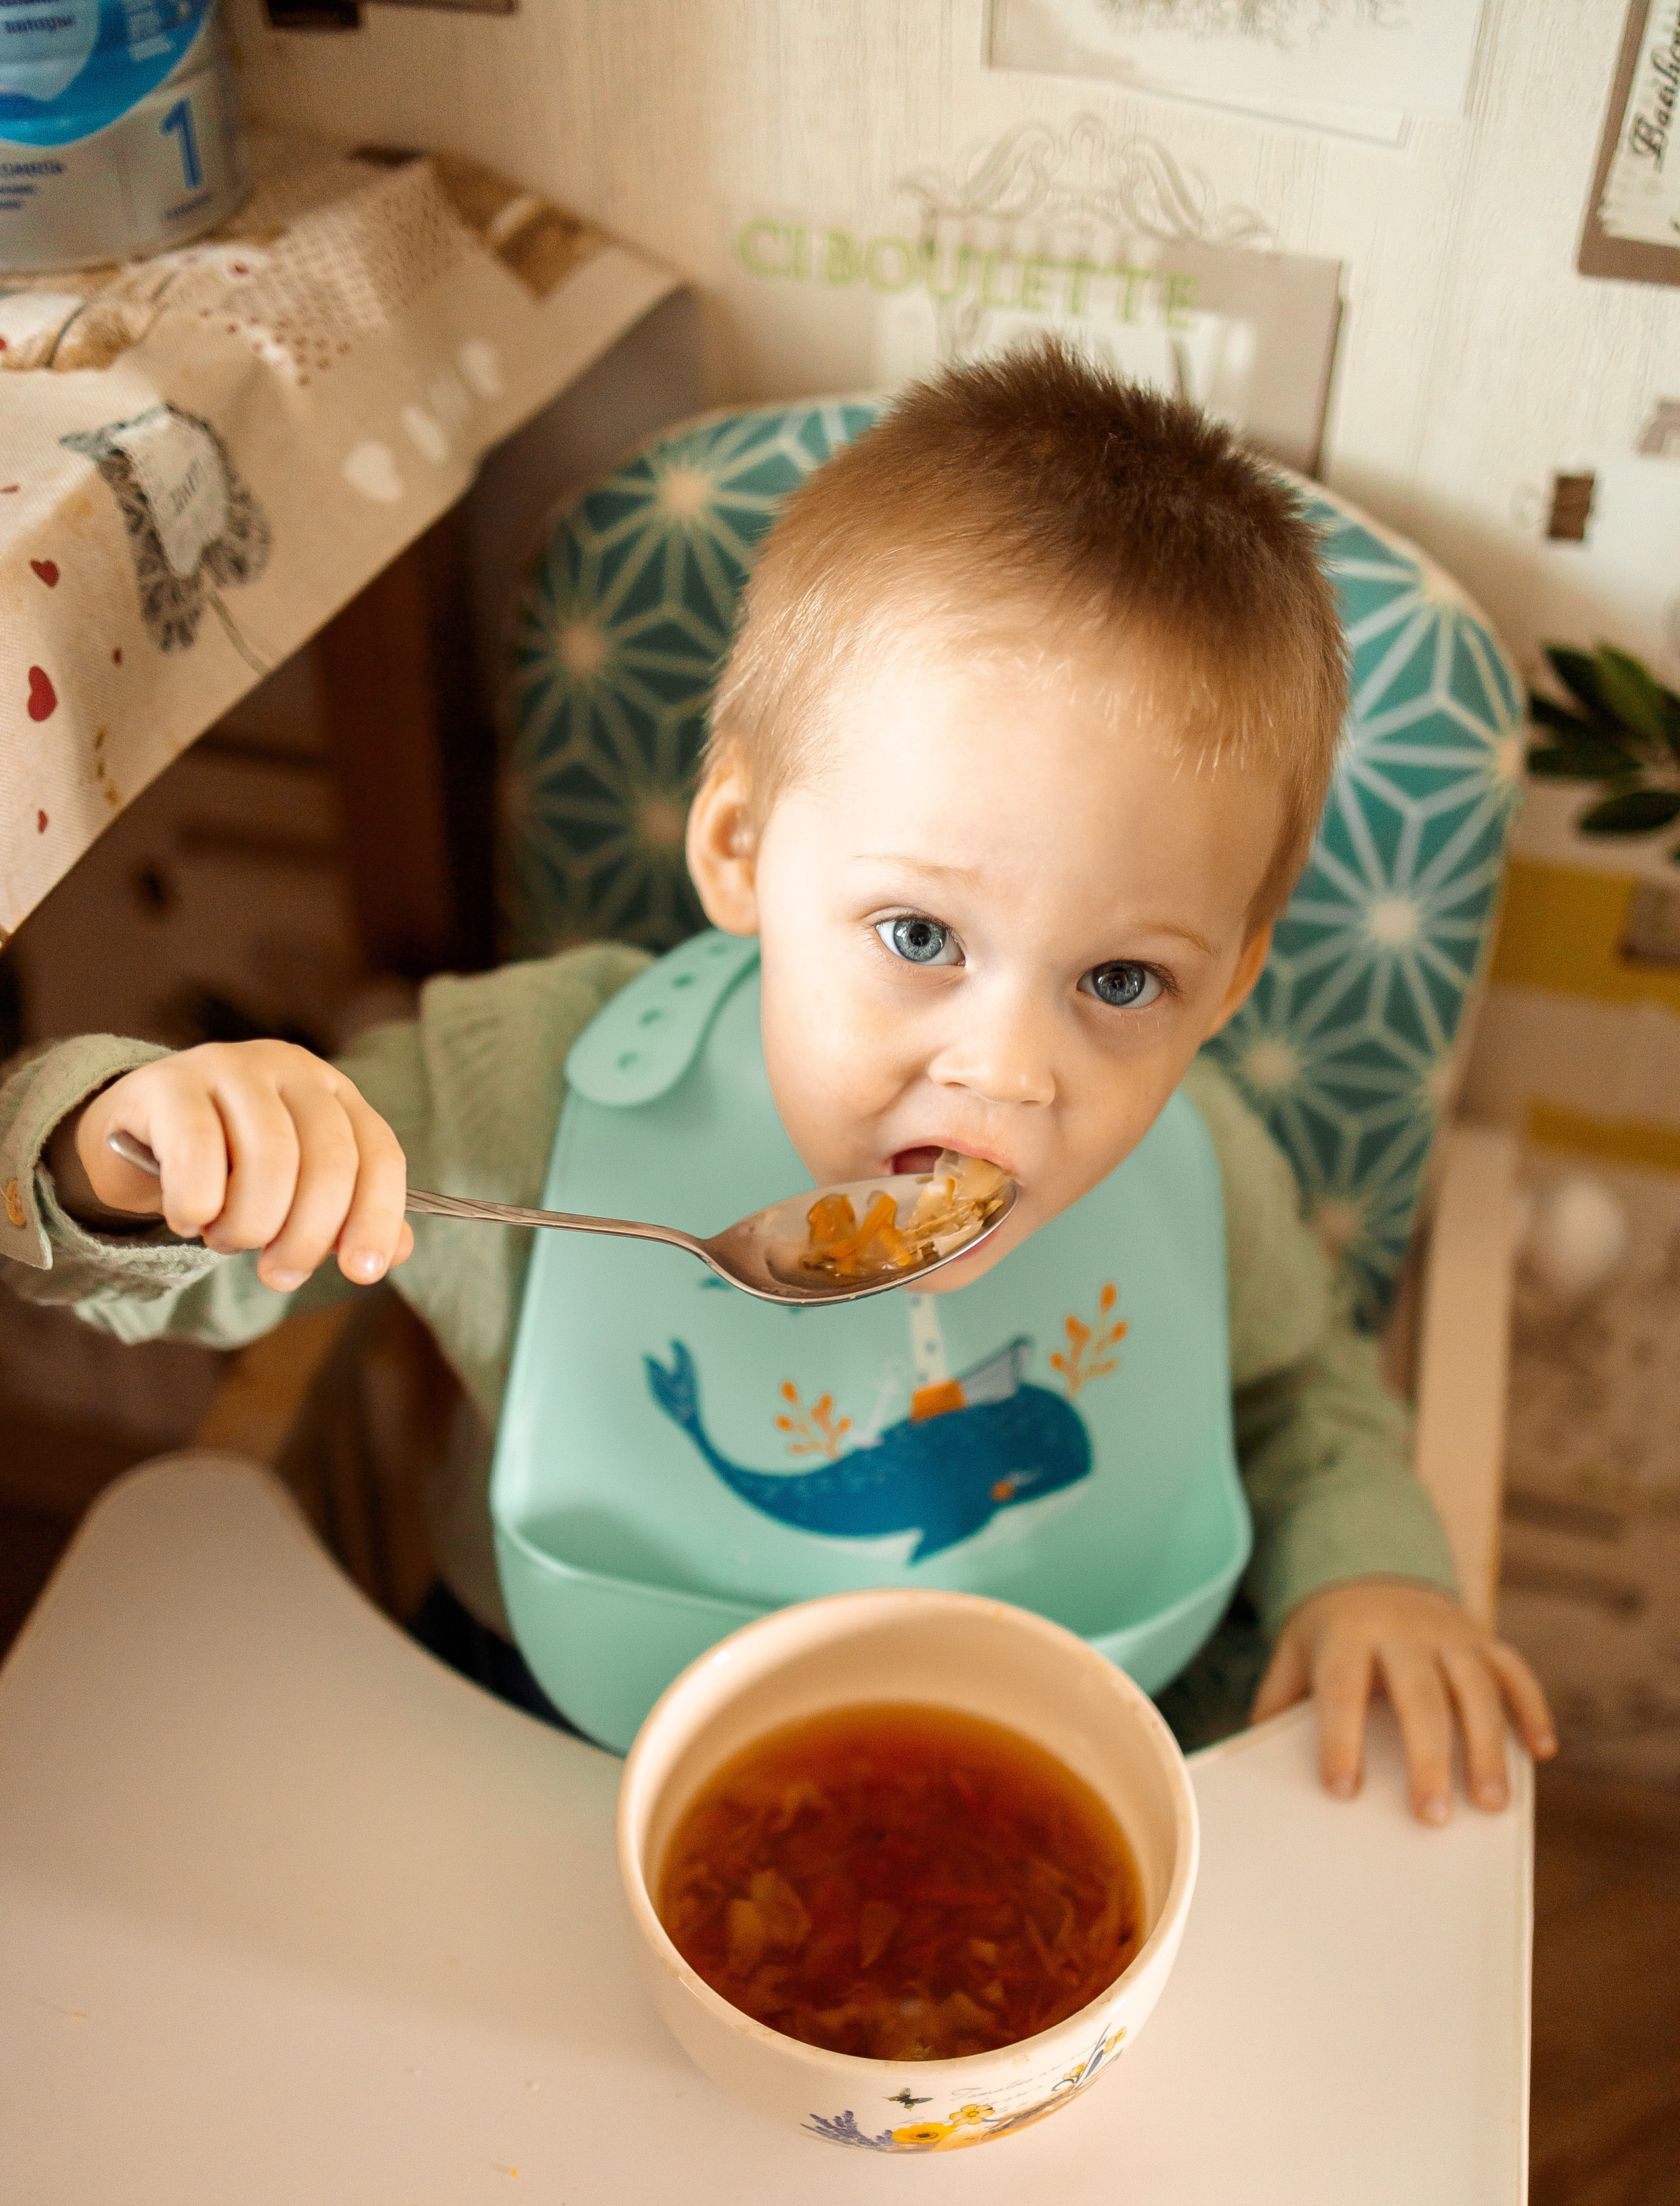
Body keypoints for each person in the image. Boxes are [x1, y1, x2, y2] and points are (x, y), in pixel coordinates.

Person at [0, 343, 1555, 1818]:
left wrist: (1373, 1573)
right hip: (537, 1726)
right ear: (738, 847)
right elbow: (196, 1277)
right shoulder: (530, 1087)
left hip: (1041, 1756)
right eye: (919, 933)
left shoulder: (1200, 1162)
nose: (1008, 1071)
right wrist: (136, 1152)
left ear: (1230, 978)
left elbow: (1296, 1398)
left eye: (1121, 981)